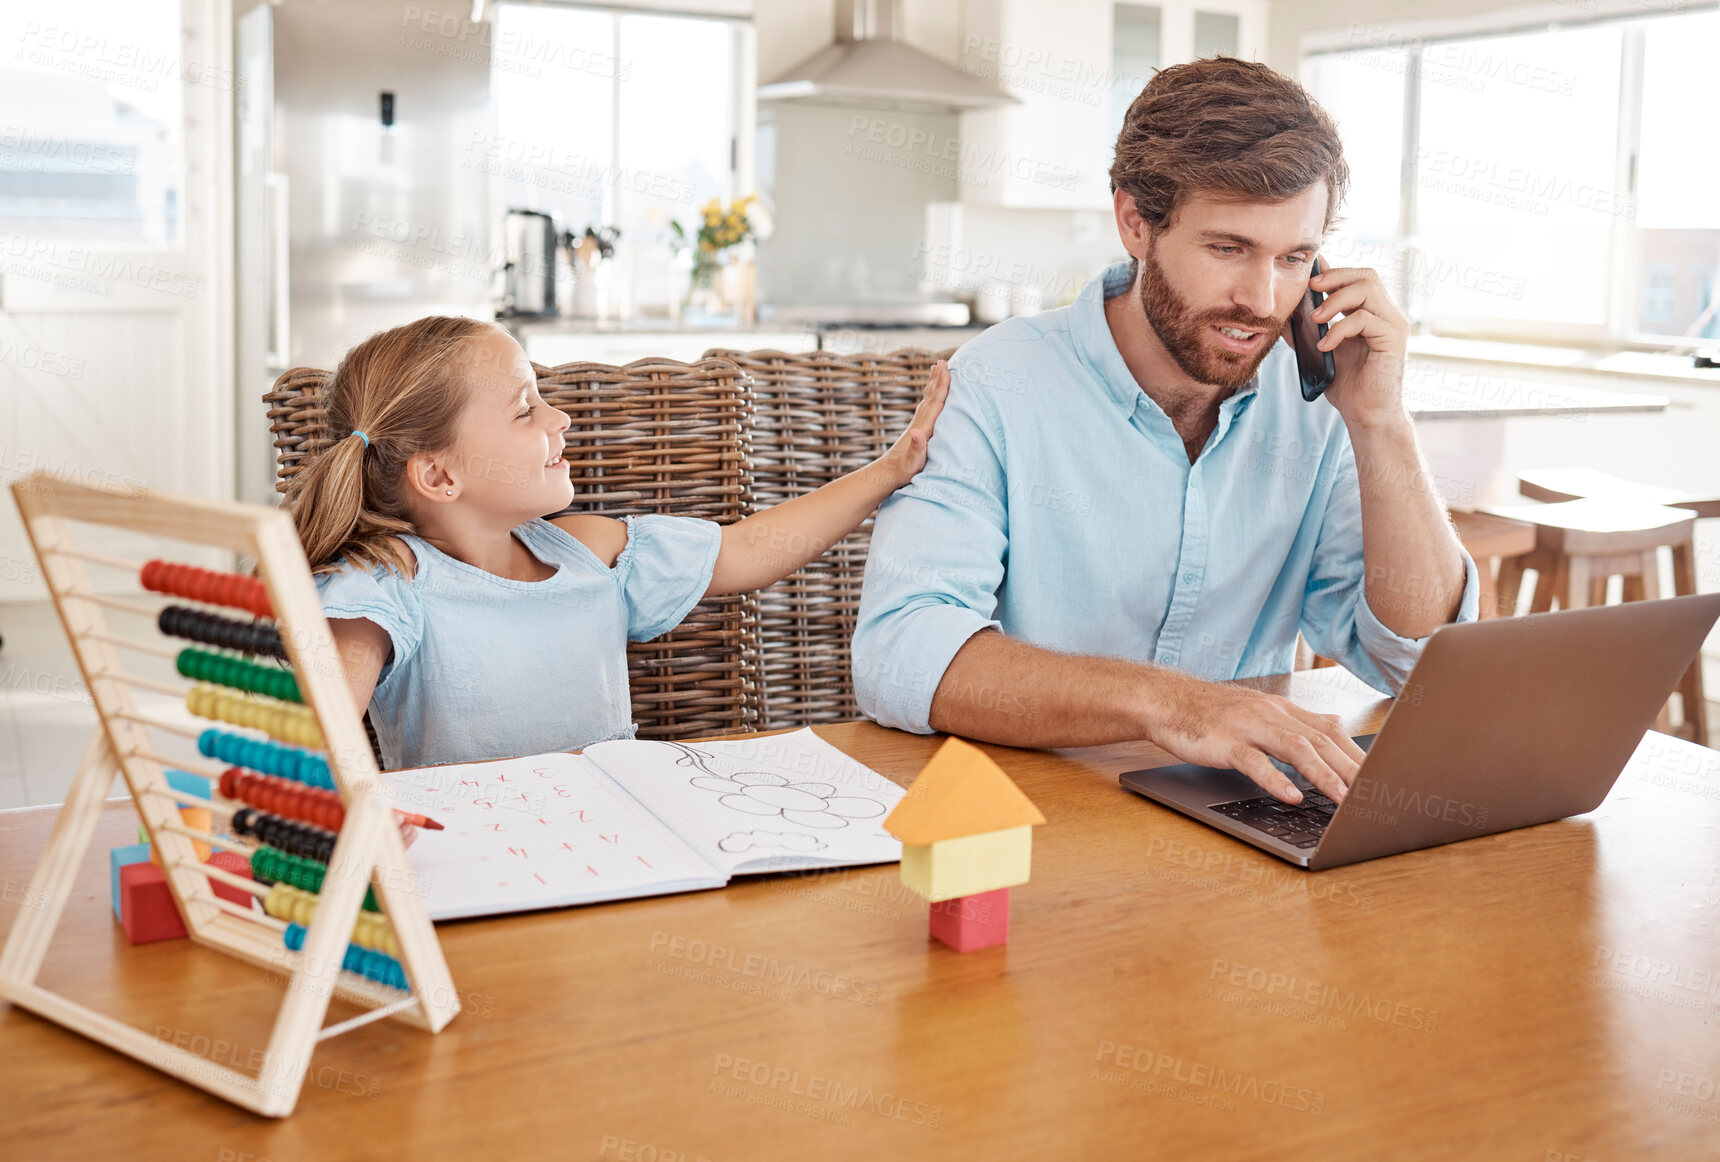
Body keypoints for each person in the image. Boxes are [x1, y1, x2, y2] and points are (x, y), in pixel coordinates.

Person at [853, 56, 1478, 808]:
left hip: (1236, 817)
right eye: (1227, 248)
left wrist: (1381, 423)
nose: (1261, 299)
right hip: (1020, 818)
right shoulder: (997, 383)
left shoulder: (1317, 401)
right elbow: (901, 651)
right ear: (1135, 223)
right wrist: (1177, 705)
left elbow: (1417, 666)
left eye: (1295, 258)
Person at [289, 316, 946, 769]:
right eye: (527, 409)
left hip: (615, 842)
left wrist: (888, 472)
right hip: (471, 865)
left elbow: (748, 549)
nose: (560, 417)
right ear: (439, 475)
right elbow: (323, 731)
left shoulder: (589, 552)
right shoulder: (386, 585)